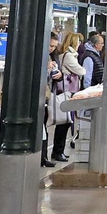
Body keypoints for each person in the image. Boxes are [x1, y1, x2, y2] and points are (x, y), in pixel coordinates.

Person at [43, 32, 72, 167]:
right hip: (42, 95)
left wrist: (59, 74)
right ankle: (43, 156)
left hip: (49, 95)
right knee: (42, 127)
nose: (52, 48)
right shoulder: (41, 57)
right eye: (50, 45)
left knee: (47, 126)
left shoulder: (54, 56)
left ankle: (46, 155)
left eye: (54, 46)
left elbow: (58, 76)